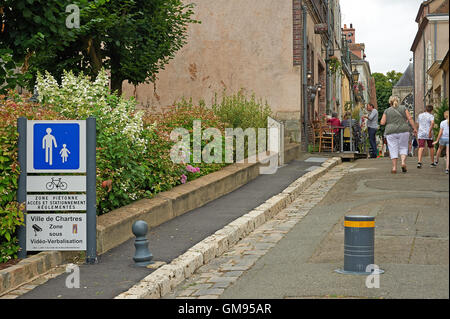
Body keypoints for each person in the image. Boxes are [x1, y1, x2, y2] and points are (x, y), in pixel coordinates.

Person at [380, 95, 417, 174]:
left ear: (390, 102)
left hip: (391, 131)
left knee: (393, 148)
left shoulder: (387, 110)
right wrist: (414, 128)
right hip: (403, 130)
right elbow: (410, 118)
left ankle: (394, 167)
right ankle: (403, 162)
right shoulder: (403, 108)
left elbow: (382, 122)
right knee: (403, 147)